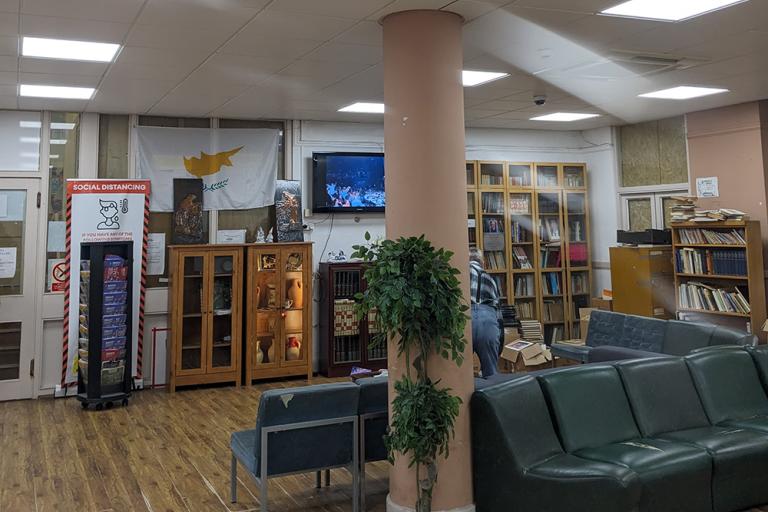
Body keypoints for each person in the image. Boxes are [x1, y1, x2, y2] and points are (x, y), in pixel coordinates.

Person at [469, 248, 501, 377]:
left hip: (466, 319)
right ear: (482, 261)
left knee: (460, 373)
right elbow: (498, 312)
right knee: (491, 372)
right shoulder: (490, 279)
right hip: (488, 320)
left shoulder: (460, 275)